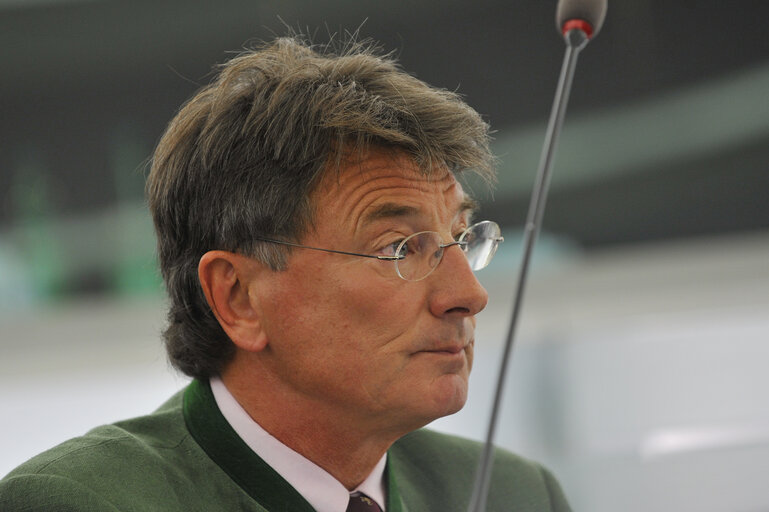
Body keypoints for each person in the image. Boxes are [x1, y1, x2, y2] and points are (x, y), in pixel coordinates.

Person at [0, 36, 571, 511]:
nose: (468, 295)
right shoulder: (79, 503)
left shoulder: (514, 495)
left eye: (462, 238)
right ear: (239, 297)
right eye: (399, 248)